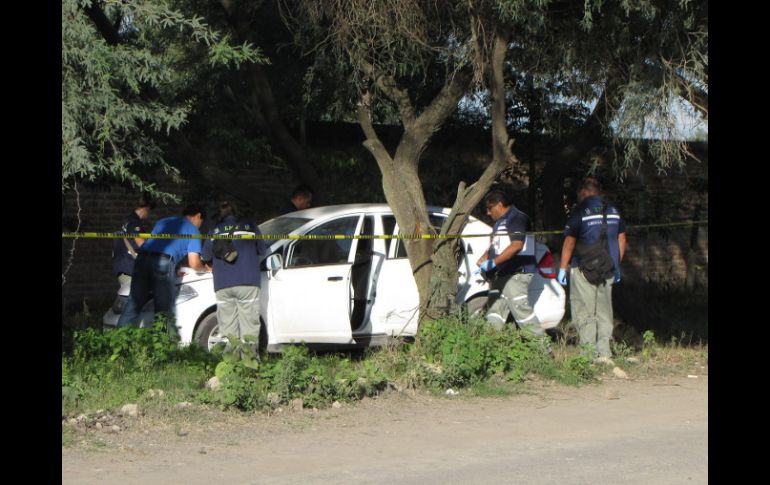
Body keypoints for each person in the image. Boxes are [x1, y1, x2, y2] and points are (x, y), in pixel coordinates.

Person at [557, 177, 626, 362]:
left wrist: (563, 268)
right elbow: (621, 239)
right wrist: (617, 264)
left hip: (583, 269)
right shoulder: (612, 210)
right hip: (608, 269)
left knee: (584, 311)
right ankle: (604, 354)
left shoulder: (580, 212)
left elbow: (569, 242)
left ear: (584, 192)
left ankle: (587, 355)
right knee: (605, 311)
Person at [117, 203, 209, 336]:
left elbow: (157, 245)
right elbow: (194, 263)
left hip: (142, 260)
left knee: (133, 305)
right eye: (202, 221)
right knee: (163, 310)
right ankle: (161, 347)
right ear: (198, 216)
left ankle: (116, 342)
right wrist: (205, 269)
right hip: (162, 264)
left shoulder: (163, 221)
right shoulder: (193, 230)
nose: (200, 224)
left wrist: (175, 266)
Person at [201, 201, 266, 356]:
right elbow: (262, 250)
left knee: (227, 329)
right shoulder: (250, 226)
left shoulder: (213, 231)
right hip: (248, 282)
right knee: (249, 326)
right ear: (236, 212)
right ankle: (249, 366)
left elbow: (206, 256)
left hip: (222, 284)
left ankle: (231, 367)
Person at [475, 189, 542, 336]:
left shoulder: (517, 218)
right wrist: (485, 257)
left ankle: (545, 351)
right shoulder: (500, 222)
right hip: (502, 274)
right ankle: (489, 347)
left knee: (522, 312)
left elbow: (516, 245)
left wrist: (493, 262)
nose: (488, 213)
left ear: (499, 205)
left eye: (489, 208)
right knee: (494, 312)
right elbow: (496, 245)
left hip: (516, 273)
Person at [112, 194, 155, 293]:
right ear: (147, 208)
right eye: (150, 211)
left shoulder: (129, 219)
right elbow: (142, 244)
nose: (148, 214)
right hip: (129, 268)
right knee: (133, 301)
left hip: (124, 266)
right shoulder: (134, 222)